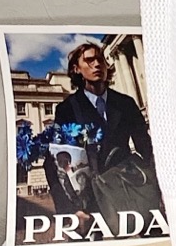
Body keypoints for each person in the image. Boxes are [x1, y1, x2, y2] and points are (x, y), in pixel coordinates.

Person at [54, 42, 155, 178]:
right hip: (92, 186)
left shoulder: (126, 103)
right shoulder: (66, 109)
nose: (97, 64)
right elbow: (57, 158)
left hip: (126, 182)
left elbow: (146, 147)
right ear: (76, 69)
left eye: (100, 60)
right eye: (89, 60)